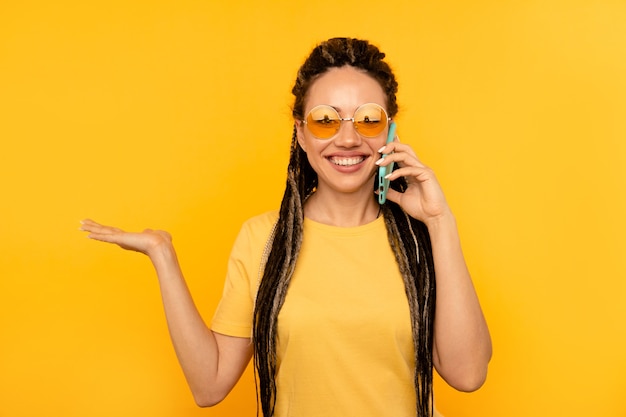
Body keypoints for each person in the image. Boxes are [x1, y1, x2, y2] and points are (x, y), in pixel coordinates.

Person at [80, 37, 491, 417]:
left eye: (367, 119)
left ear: (390, 131)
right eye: (325, 119)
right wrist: (162, 255)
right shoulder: (264, 239)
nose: (347, 138)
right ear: (301, 132)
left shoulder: (420, 241)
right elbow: (209, 385)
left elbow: (468, 375)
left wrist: (440, 221)